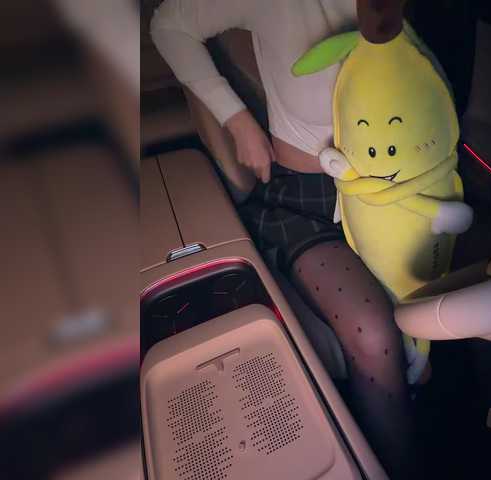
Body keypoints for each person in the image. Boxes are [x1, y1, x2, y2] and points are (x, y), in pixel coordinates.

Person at [151, 0, 417, 475]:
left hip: (403, 193)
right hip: (307, 202)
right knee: (372, 332)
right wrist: (237, 120)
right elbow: (169, 25)